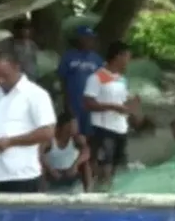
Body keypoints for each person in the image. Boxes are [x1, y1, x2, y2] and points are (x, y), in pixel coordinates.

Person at [0, 51, 56, 193]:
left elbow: (47, 132)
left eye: (5, 76)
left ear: (16, 67)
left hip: (22, 176)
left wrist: (11, 142)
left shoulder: (36, 95)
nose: (0, 80)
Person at [83, 41, 142, 190]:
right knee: (105, 164)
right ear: (118, 56)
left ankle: (109, 191)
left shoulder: (121, 79)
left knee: (117, 164)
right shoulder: (97, 77)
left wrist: (133, 106)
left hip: (120, 128)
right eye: (128, 57)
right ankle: (99, 192)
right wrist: (112, 107)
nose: (129, 61)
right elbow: (88, 103)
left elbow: (123, 103)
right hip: (103, 128)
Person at [57, 26, 105, 137]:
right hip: (73, 103)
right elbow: (62, 79)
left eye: (92, 39)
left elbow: (103, 83)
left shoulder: (97, 59)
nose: (90, 41)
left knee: (90, 135)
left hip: (90, 104)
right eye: (87, 38)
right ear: (79, 39)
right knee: (74, 134)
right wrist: (66, 103)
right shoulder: (68, 57)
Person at [40, 112, 92, 193]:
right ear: (66, 126)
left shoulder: (78, 139)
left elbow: (87, 153)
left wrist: (75, 165)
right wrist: (51, 170)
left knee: (86, 163)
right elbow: (39, 155)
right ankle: (42, 193)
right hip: (53, 176)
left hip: (71, 174)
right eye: (74, 124)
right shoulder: (50, 140)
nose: (77, 127)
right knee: (41, 167)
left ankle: (88, 192)